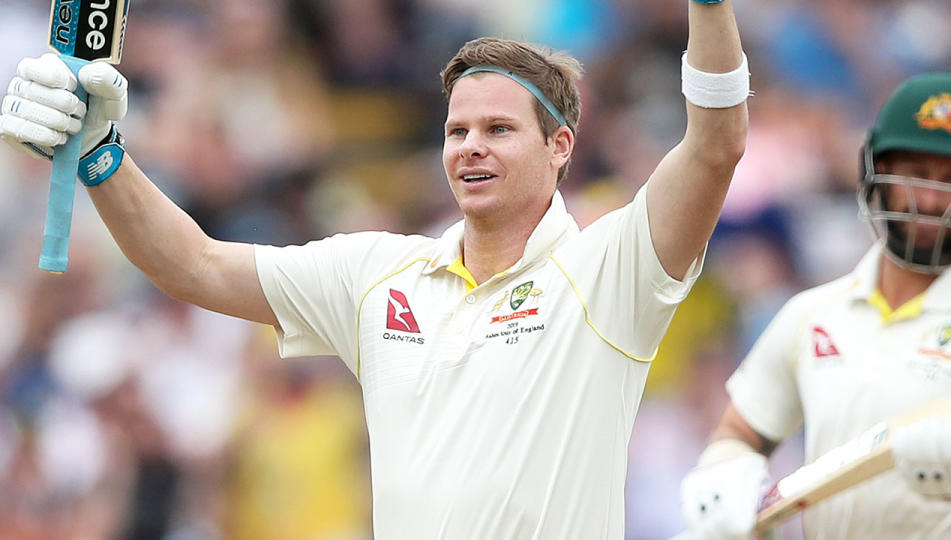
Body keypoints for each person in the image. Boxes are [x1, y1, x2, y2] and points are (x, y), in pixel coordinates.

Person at [0, 1, 749, 537]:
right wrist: (103, 156)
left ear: (560, 147)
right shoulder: (380, 273)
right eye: (456, 130)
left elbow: (714, 147)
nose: (469, 147)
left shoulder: (607, 269)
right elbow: (193, 264)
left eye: (498, 129)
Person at [680, 72, 951, 540]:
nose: (930, 199)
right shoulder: (814, 314)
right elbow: (741, 430)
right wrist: (724, 472)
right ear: (877, 174)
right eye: (915, 174)